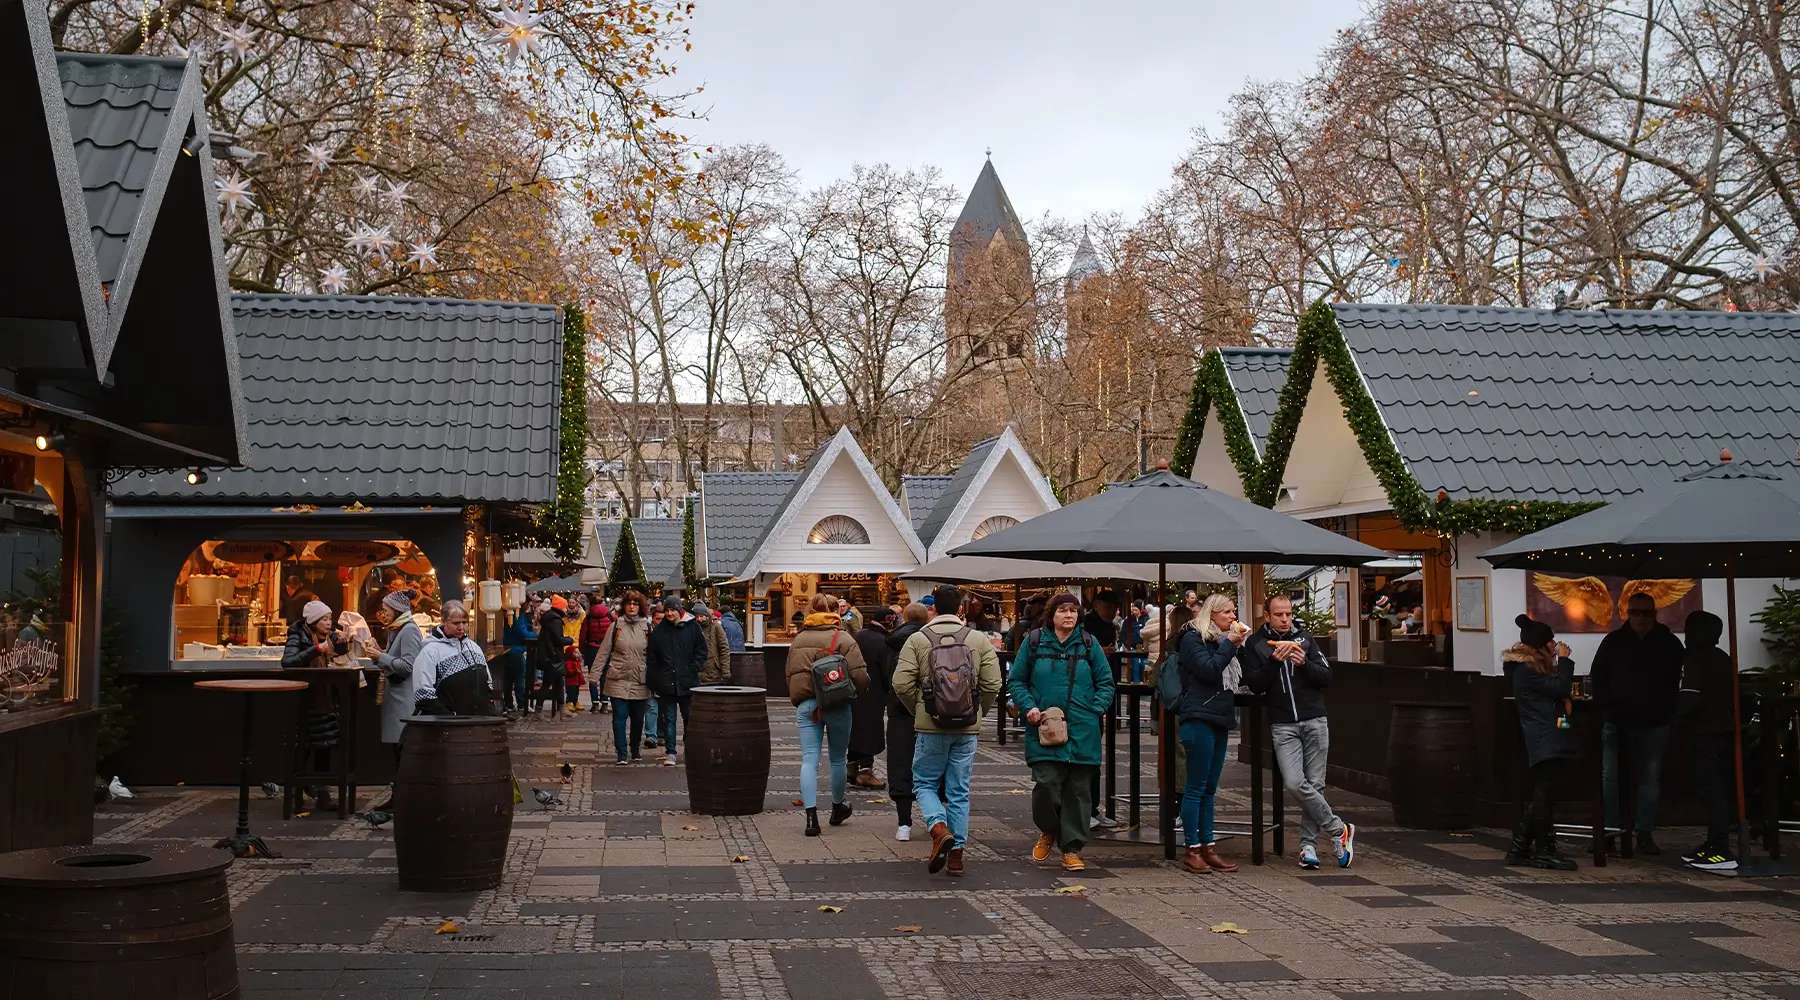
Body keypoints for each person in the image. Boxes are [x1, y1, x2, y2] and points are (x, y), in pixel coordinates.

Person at [1239, 594, 1355, 870]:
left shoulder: (1305, 639)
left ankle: (1307, 847)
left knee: (1315, 785)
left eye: (1288, 614)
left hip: (1314, 719)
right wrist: (1274, 663)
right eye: (1279, 614)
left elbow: (1326, 677)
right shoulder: (1255, 645)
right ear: (1267, 615)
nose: (1284, 619)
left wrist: (1305, 664)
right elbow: (1254, 684)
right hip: (1283, 724)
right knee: (1294, 782)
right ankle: (1339, 829)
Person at [893, 585, 1002, 877]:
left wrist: (919, 709)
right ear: (961, 608)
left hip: (930, 726)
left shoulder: (918, 639)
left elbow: (901, 683)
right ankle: (956, 858)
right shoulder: (978, 640)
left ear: (934, 609)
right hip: (966, 728)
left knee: (925, 783)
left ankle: (938, 827)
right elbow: (993, 685)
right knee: (959, 791)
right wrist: (978, 711)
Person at [1009, 593, 1114, 872]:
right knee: (1046, 785)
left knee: (1079, 791)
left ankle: (1071, 848)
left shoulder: (1089, 644)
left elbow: (1106, 682)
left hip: (1083, 729)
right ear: (1051, 614)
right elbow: (1016, 681)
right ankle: (1049, 828)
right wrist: (1029, 706)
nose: (1069, 615)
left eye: (1073, 611)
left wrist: (1095, 709)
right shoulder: (1034, 642)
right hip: (1045, 727)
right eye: (1063, 611)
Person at [1590, 591, 1685, 854]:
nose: (1641, 618)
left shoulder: (1668, 643)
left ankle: (1643, 833)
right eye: (1636, 612)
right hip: (1617, 720)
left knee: (1649, 778)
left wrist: (1667, 711)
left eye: (1646, 613)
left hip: (1655, 721)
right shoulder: (1614, 641)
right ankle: (1609, 832)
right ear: (1627, 614)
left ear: (1654, 614)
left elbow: (1676, 680)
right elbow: (1598, 676)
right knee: (1610, 778)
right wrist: (1606, 708)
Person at [786, 594, 871, 834]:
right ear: (837, 611)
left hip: (807, 705)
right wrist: (856, 691)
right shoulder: (843, 638)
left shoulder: (799, 639)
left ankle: (811, 818)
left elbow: (790, 674)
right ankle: (837, 807)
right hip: (837, 705)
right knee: (837, 759)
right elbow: (860, 676)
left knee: (809, 759)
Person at [1174, 593, 1246, 874]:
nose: (1232, 617)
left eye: (1233, 612)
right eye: (1227, 612)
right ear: (1212, 613)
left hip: (1219, 717)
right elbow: (1209, 670)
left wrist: (1236, 644)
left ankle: (1208, 846)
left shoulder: (1223, 640)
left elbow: (1238, 674)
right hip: (1198, 716)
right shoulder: (1193, 638)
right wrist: (1230, 644)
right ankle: (1192, 849)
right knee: (1195, 787)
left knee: (1210, 788)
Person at [1503, 614, 1578, 870]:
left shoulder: (1530, 669)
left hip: (1549, 736)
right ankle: (1542, 850)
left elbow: (1558, 698)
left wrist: (1565, 710)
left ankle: (1520, 847)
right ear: (1542, 645)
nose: (1555, 646)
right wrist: (1566, 661)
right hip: (1544, 738)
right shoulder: (1527, 671)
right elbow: (1560, 688)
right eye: (1551, 642)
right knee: (1544, 794)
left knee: (1543, 794)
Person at [1678, 610, 1738, 871]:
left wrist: (1671, 720)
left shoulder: (1696, 660)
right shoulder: (1723, 658)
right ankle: (1714, 842)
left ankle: (1720, 848)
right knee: (1716, 790)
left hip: (1705, 733)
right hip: (1723, 731)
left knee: (1712, 791)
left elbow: (1689, 700)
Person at [281, 599, 350, 811]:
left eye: (330, 618)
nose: (329, 623)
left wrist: (343, 642)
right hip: (305, 700)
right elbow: (288, 662)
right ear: (313, 621)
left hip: (325, 698)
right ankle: (296, 791)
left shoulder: (328, 636)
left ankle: (322, 793)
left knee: (325, 744)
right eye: (325, 619)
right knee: (305, 745)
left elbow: (339, 652)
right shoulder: (298, 635)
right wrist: (316, 649)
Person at [367, 589, 423, 811]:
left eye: (386, 609)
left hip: (403, 701)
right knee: (398, 751)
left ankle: (404, 800)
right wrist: (377, 652)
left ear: (397, 610)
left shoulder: (408, 631)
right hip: (396, 700)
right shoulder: (396, 630)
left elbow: (408, 665)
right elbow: (393, 661)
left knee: (402, 750)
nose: (383, 613)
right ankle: (400, 797)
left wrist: (380, 656)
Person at [886, 602, 931, 840]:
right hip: (930, 710)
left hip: (899, 711)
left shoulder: (892, 641)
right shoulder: (930, 639)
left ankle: (904, 823)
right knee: (932, 763)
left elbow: (891, 679)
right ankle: (936, 818)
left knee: (901, 763)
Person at [646, 595, 707, 765]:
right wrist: (656, 679)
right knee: (669, 719)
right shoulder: (660, 631)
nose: (670, 613)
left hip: (688, 682)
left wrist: (693, 668)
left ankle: (690, 749)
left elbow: (701, 650)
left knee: (690, 718)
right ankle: (671, 752)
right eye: (667, 610)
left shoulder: (692, 626)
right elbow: (652, 658)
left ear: (679, 610)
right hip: (667, 683)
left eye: (672, 610)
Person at [411, 601, 495, 716]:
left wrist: (489, 709)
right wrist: (448, 717)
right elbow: (423, 694)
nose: (461, 627)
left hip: (478, 722)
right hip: (448, 727)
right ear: (444, 621)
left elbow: (488, 682)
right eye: (456, 623)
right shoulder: (430, 651)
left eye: (464, 622)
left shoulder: (474, 647)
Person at [599, 591, 653, 764]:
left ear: (640, 607)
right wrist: (595, 675)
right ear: (624, 606)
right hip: (618, 678)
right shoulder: (616, 626)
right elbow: (604, 651)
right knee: (619, 718)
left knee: (638, 720)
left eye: (635, 604)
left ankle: (635, 749)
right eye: (629, 603)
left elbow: (654, 654)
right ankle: (622, 753)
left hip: (640, 679)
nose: (631, 606)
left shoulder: (647, 627)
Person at [849, 606, 897, 790]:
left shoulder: (859, 635)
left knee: (855, 728)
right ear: (888, 621)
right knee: (870, 731)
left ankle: (851, 767)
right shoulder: (884, 641)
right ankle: (865, 772)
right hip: (874, 691)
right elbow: (887, 671)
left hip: (855, 689)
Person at [500, 600, 537, 716]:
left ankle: (509, 703)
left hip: (507, 650)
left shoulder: (505, 615)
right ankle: (521, 703)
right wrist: (537, 634)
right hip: (516, 650)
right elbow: (523, 633)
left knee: (508, 680)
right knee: (519, 678)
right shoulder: (518, 615)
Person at [579, 592, 613, 713]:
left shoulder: (588, 617)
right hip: (606, 648)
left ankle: (594, 704)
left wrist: (583, 651)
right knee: (604, 676)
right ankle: (604, 704)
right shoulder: (609, 616)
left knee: (593, 676)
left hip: (592, 648)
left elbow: (582, 636)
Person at [693, 599, 732, 685]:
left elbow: (724, 649)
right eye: (697, 616)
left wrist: (725, 671)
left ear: (706, 615)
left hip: (714, 673)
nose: (699, 619)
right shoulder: (693, 628)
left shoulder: (716, 627)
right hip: (697, 673)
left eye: (701, 616)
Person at [563, 641, 585, 715]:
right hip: (571, 682)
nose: (578, 654)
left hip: (576, 681)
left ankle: (575, 702)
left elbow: (580, 672)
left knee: (576, 692)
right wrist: (575, 671)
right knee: (571, 693)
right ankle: (569, 702)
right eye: (576, 653)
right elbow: (569, 671)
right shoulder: (569, 662)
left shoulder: (577, 661)